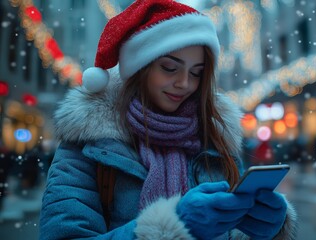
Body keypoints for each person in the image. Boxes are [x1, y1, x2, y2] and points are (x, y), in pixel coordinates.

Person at [39, 0, 297, 239]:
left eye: (197, 73)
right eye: (169, 68)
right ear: (140, 67)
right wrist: (171, 224)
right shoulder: (87, 146)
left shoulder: (215, 139)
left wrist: (270, 228)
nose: (184, 84)